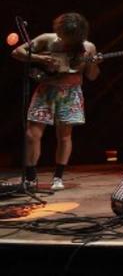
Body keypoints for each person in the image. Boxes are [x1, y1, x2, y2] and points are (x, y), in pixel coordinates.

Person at [11, 12, 102, 191]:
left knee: (64, 136)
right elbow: (17, 52)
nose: (62, 38)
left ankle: (58, 176)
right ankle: (30, 176)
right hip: (46, 91)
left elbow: (92, 76)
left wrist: (93, 63)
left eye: (66, 37)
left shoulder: (88, 47)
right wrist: (40, 58)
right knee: (31, 135)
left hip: (70, 93)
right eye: (61, 34)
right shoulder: (47, 39)